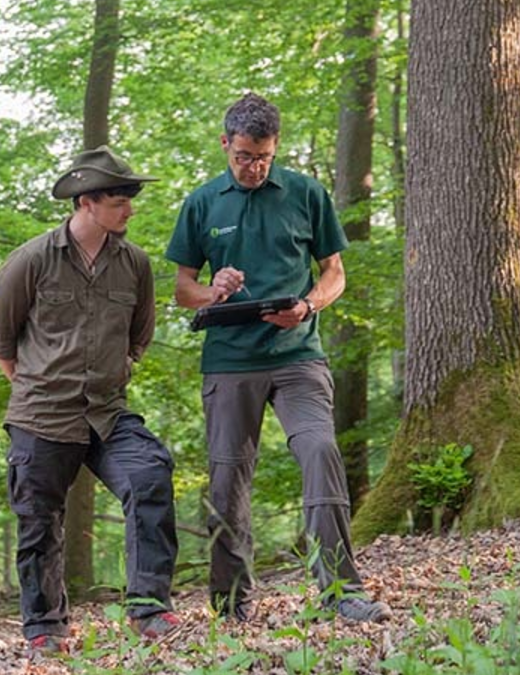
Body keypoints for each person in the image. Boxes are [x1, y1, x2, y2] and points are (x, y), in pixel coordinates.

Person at [164, 93, 391, 624]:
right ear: (225, 145)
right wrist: (213, 289)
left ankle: (341, 591)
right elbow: (182, 289)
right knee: (227, 481)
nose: (253, 167)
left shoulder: (306, 194)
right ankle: (232, 606)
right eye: (243, 156)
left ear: (275, 148)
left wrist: (309, 304)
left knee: (320, 452)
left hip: (297, 357)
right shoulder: (202, 203)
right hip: (228, 361)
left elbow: (335, 272)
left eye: (263, 157)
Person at [0, 146, 181, 657]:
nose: (131, 210)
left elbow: (139, 337)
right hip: (42, 416)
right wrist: (40, 386)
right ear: (87, 203)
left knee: (149, 474)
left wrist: (118, 372)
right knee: (38, 516)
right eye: (121, 201)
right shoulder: (31, 261)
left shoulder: (134, 264)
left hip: (108, 413)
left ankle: (149, 608)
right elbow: (2, 341)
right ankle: (45, 626)